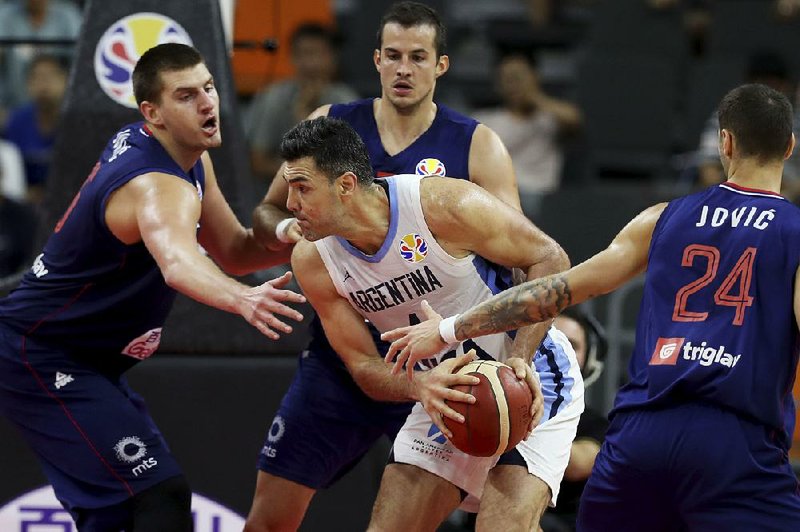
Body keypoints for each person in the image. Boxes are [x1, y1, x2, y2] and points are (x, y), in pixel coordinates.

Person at [383, 83, 800, 530]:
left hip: (641, 438)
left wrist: (452, 329)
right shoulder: (794, 232)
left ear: (725, 142)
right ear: (790, 147)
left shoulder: (662, 218)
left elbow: (555, 291)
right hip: (736, 441)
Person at [0, 43, 307, 531]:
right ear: (153, 113)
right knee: (157, 497)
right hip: (41, 355)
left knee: (121, 511)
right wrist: (242, 296)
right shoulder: (156, 184)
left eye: (208, 87)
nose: (208, 103)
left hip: (89, 360)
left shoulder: (185, 156)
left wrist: (305, 234)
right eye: (186, 96)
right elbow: (179, 264)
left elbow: (233, 249)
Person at [244, 3, 524, 530]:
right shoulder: (330, 124)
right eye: (392, 56)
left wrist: (517, 350)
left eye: (418, 57)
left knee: (463, 516)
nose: (403, 69)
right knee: (269, 518)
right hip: (344, 354)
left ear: (441, 65)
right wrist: (287, 229)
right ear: (375, 59)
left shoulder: (477, 145)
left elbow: (521, 259)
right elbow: (267, 209)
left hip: (441, 362)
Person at [276, 116, 582, 531]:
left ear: (346, 185)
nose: (289, 204)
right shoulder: (313, 260)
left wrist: (520, 356)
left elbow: (550, 259)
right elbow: (365, 367)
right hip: (445, 395)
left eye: (302, 188)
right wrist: (420, 387)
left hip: (529, 375)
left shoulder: (443, 206)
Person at [245, 22, 359, 184]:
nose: (312, 63)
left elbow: (355, 161)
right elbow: (257, 161)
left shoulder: (346, 100)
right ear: (292, 58)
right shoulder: (273, 98)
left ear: (333, 58)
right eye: (304, 54)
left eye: (319, 54)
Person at [473, 51, 582, 196]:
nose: (514, 84)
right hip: (497, 195)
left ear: (535, 77)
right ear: (498, 85)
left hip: (539, 194)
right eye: (507, 79)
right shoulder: (484, 120)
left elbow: (574, 119)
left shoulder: (550, 119)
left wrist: (533, 96)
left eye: (519, 77)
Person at [696, 49, 800, 198]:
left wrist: (781, 200)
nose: (767, 92)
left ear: (786, 85)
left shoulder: (795, 119)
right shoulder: (728, 113)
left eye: (774, 84)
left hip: (786, 194)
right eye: (761, 84)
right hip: (734, 194)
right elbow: (708, 167)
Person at [542, 308, 609, 531]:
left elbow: (578, 465)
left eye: (571, 344)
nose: (558, 350)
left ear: (588, 362)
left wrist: (518, 424)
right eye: (549, 339)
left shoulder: (597, 424)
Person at [2, 54, 69, 204]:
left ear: (66, 81)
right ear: (27, 84)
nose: (43, 85)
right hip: (24, 205)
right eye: (36, 78)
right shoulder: (16, 122)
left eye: (50, 77)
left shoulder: (77, 122)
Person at [0, 0, 82, 112]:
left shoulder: (67, 15)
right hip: (10, 107)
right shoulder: (5, 14)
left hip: (59, 108)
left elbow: (82, 61)